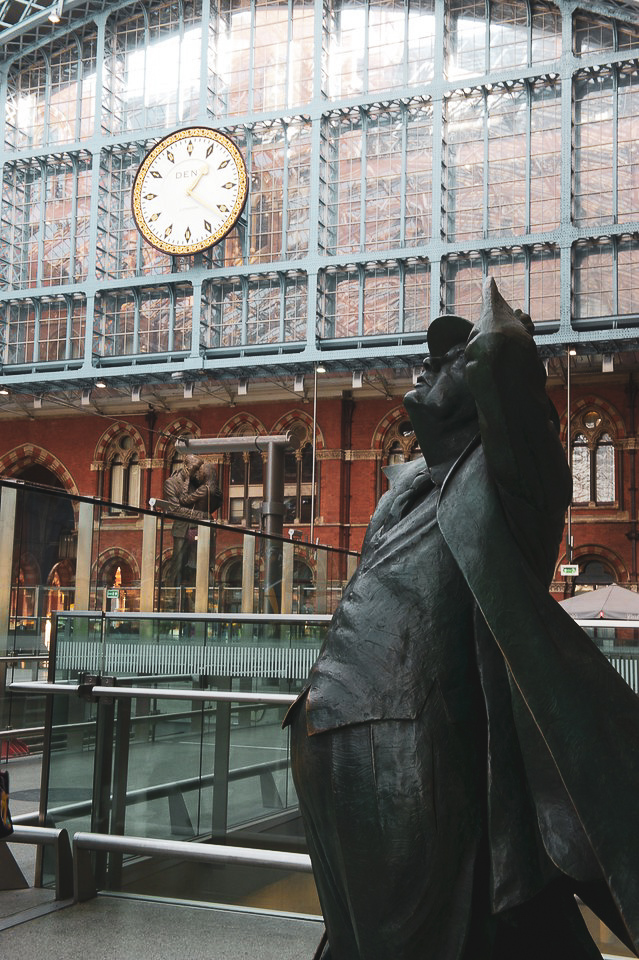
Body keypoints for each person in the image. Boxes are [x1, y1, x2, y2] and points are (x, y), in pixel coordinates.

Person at [286, 279, 639, 960]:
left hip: (410, 742)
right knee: (366, 935)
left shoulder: (515, 474)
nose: (430, 360)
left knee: (419, 936)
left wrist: (495, 302)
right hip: (331, 735)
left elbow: (503, 349)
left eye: (452, 356)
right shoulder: (408, 485)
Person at [163, 454, 221, 588]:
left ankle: (204, 596)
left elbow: (209, 499)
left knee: (204, 564)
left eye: (198, 469)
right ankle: (171, 594)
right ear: (186, 467)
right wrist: (201, 515)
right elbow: (175, 509)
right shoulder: (171, 483)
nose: (197, 472)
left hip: (200, 529)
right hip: (183, 529)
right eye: (195, 468)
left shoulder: (197, 482)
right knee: (178, 565)